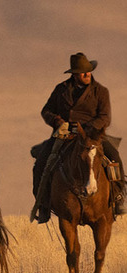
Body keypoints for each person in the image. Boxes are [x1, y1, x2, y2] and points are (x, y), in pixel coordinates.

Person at [32, 52, 125, 223]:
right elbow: (46, 111)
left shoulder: (100, 91)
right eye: (83, 72)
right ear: (74, 74)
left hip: (93, 136)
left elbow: (105, 117)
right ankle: (44, 205)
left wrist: (88, 129)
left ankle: (119, 198)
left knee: (114, 158)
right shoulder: (61, 90)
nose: (87, 74)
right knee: (40, 164)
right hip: (65, 135)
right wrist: (59, 122)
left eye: (88, 71)